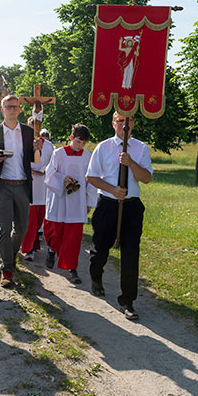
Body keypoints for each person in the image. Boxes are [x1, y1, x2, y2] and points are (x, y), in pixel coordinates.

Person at [86, 112, 152, 320]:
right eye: (121, 121)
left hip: (131, 207)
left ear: (133, 124)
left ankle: (127, 301)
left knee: (131, 254)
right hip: (107, 205)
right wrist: (112, 189)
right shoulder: (103, 147)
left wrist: (131, 163)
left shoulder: (141, 148)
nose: (125, 125)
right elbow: (92, 176)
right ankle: (96, 277)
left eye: (129, 120)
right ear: (113, 123)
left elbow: (147, 178)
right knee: (100, 250)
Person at [0, 94, 42, 288]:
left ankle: (10, 255)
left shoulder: (27, 131)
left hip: (23, 184)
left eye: (15, 107)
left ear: (20, 110)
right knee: (4, 228)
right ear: (2, 109)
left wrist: (37, 148)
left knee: (22, 228)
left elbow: (33, 158)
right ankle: (6, 269)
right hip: (4, 185)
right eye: (8, 107)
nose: (12, 110)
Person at [43, 124, 96, 284]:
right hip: (59, 198)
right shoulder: (58, 153)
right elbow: (49, 174)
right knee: (55, 233)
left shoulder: (87, 156)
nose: (80, 145)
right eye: (79, 141)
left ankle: (72, 269)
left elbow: (91, 180)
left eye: (84, 143)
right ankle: (52, 250)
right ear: (72, 137)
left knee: (73, 237)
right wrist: (63, 178)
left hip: (77, 201)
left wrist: (89, 201)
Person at [20, 117, 53, 261]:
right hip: (30, 184)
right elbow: (20, 160)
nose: (35, 129)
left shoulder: (49, 146)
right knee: (30, 219)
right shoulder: (23, 142)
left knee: (39, 219)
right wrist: (30, 169)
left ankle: (34, 243)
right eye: (32, 126)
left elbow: (53, 163)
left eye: (37, 126)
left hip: (44, 185)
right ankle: (28, 248)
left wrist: (45, 170)